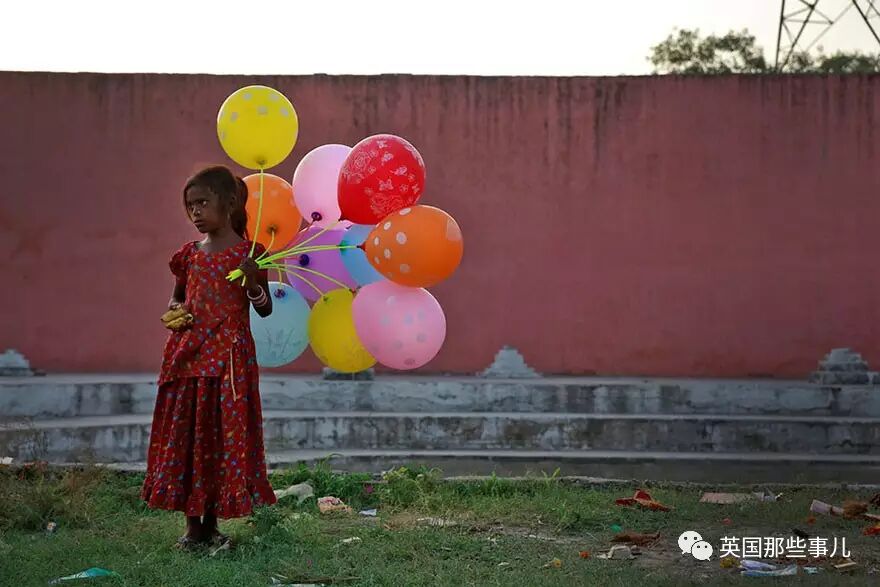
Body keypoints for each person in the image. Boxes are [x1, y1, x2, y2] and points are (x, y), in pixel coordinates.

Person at [141, 165, 277, 549]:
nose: (195, 212)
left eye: (203, 203)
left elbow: (264, 309)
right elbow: (178, 297)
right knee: (190, 437)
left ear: (230, 202)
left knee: (220, 440)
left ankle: (212, 524)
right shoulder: (189, 256)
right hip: (190, 359)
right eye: (190, 206)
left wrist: (251, 281)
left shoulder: (251, 254)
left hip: (229, 365)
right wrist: (176, 311)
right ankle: (191, 527)